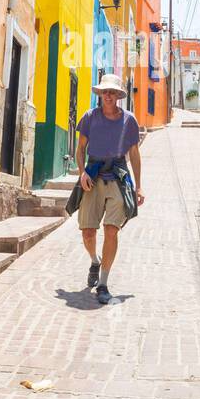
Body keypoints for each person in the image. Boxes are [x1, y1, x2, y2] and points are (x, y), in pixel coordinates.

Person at [74, 73, 145, 304]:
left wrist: (139, 186)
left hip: (117, 177)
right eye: (105, 91)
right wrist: (82, 172)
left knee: (111, 230)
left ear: (118, 96)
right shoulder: (89, 117)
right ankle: (95, 261)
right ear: (100, 94)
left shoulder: (129, 120)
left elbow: (134, 153)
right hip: (93, 176)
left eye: (112, 92)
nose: (108, 95)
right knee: (88, 232)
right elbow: (80, 149)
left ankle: (103, 283)